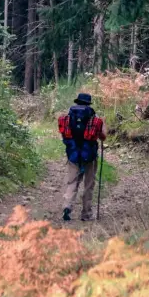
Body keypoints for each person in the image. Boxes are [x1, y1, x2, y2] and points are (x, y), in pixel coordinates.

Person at [58, 93, 106, 221]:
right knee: (88, 185)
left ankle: (67, 206)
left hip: (73, 154)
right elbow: (103, 136)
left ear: (77, 102)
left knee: (72, 182)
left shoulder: (68, 116)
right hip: (89, 155)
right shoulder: (94, 118)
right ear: (88, 103)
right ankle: (86, 214)